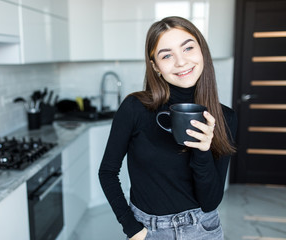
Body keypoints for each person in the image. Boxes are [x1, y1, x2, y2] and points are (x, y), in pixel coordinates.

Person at [98, 16, 237, 240]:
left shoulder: (224, 118)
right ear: (155, 66)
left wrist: (202, 150)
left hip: (202, 230)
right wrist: (132, 228)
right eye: (167, 55)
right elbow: (107, 172)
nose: (181, 62)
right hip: (148, 231)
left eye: (188, 48)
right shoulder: (135, 108)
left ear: (202, 51)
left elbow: (210, 201)